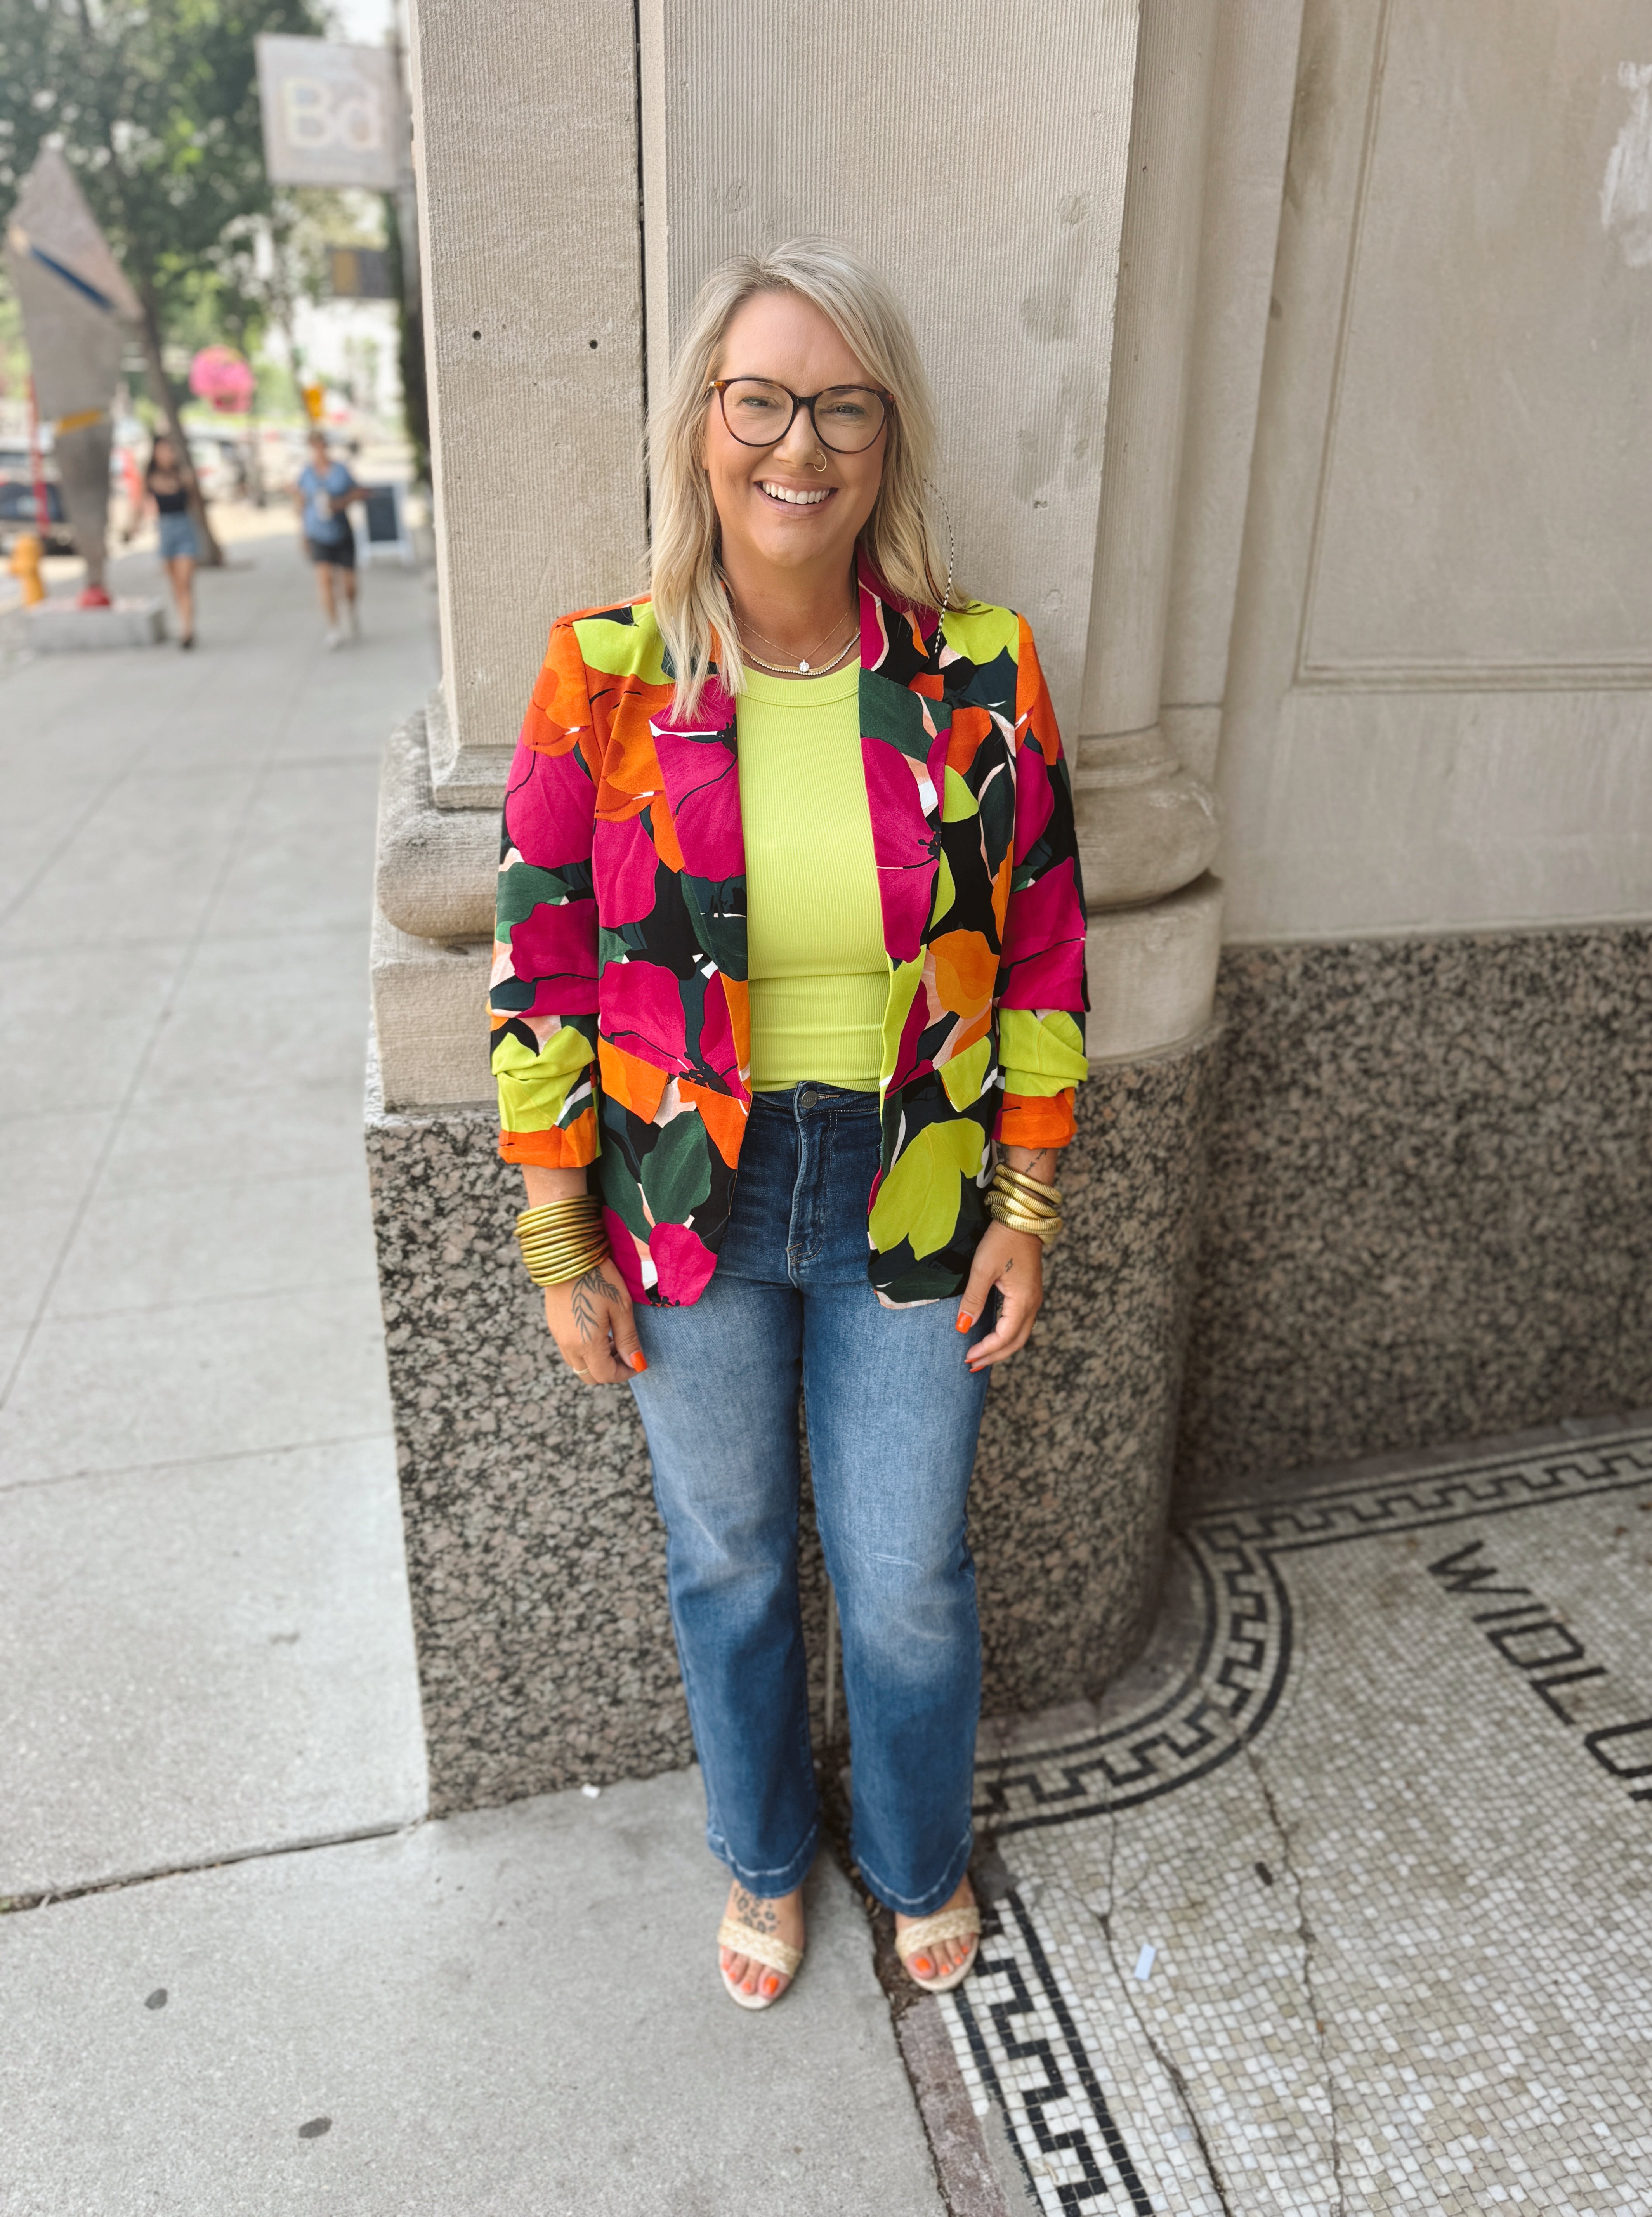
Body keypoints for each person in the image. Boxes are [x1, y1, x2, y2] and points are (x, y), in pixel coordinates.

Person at [489, 239, 1088, 2012]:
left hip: (912, 1178)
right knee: (731, 1555)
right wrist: (557, 1235)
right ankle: (762, 1855)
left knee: (904, 1567)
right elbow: (539, 974)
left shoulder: (980, 672)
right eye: (760, 400)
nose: (797, 445)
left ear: (887, 441)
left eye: (841, 405)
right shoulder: (601, 677)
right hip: (688, 1192)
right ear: (703, 428)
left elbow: (1045, 940)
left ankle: (912, 1853)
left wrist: (1028, 1202)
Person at [293, 430, 364, 648]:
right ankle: (333, 628)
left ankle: (350, 612)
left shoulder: (341, 470)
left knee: (349, 583)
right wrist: (302, 532)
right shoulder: (306, 473)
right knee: (324, 580)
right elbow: (300, 502)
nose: (319, 450)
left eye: (321, 445)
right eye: (315, 446)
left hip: (341, 530)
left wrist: (340, 504)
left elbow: (358, 491)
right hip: (317, 532)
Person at [141, 435, 198, 649]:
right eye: (163, 450)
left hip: (185, 530)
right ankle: (184, 623)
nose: (167, 454)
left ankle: (188, 629)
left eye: (170, 450)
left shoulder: (183, 475)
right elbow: (142, 504)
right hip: (166, 532)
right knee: (176, 586)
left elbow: (193, 502)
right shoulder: (151, 478)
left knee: (185, 583)